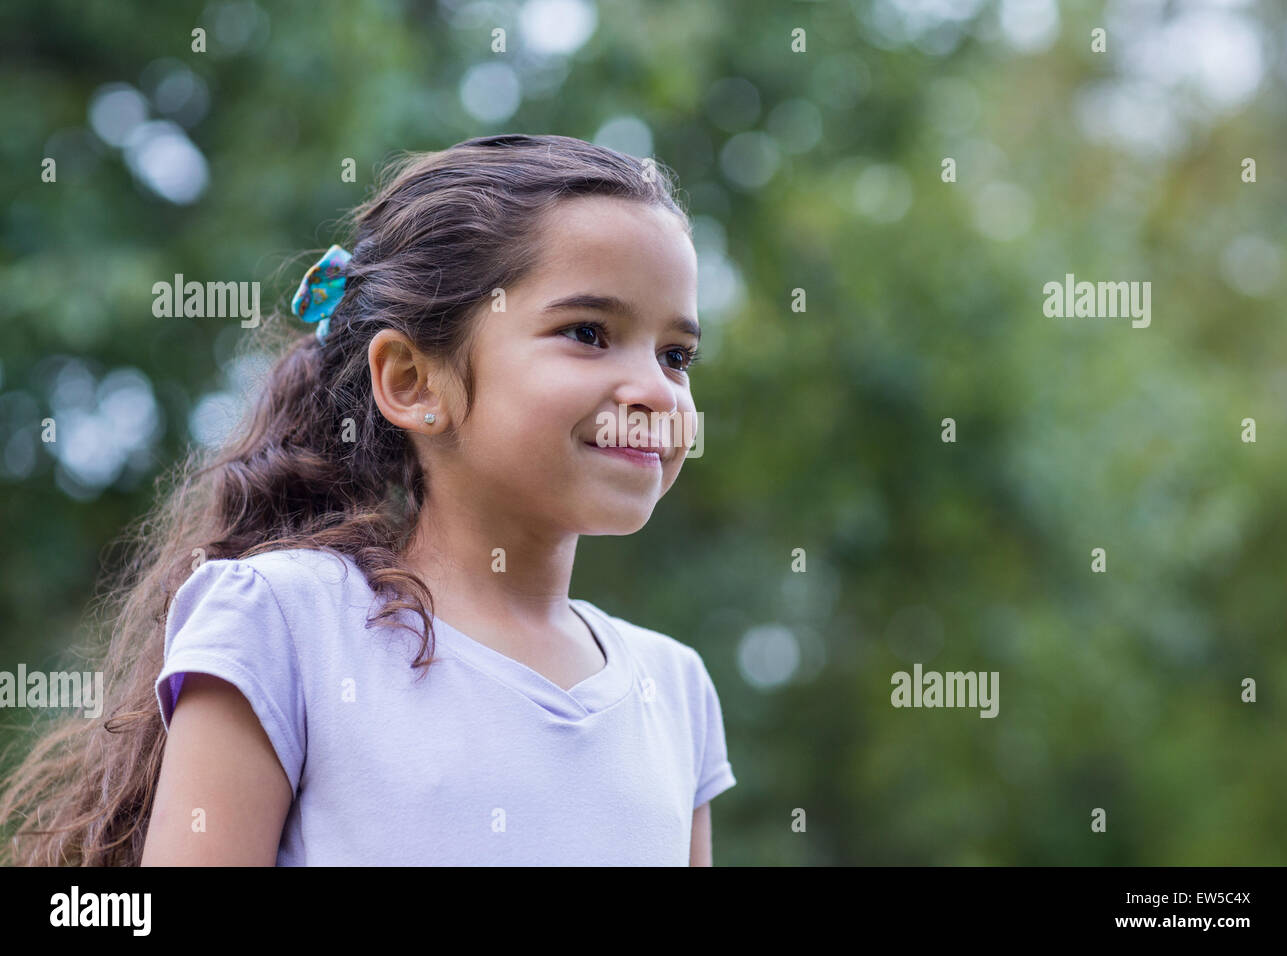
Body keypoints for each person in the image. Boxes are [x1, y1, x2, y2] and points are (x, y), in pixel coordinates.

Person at [0, 134, 736, 866]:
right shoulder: (284, 624)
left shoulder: (675, 691)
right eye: (588, 333)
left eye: (677, 355)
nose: (655, 391)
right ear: (412, 381)